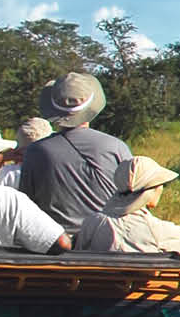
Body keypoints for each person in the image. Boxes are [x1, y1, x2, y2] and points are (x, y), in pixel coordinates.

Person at [9, 72, 133, 230]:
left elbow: (28, 205)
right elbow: (131, 198)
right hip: (107, 235)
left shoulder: (35, 151)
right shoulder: (116, 146)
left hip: (55, 238)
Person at [82, 155, 180, 261]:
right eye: (160, 184)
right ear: (150, 191)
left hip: (97, 287)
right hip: (144, 288)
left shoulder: (92, 223)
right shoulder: (158, 230)